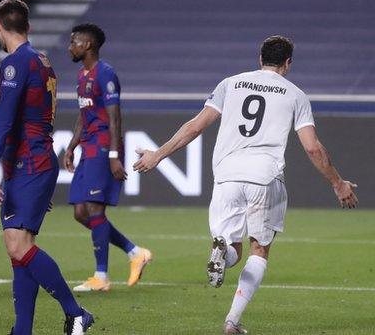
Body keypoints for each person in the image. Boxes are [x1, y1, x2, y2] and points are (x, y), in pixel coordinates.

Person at [133, 35, 358, 334]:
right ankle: (232, 322)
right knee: (259, 249)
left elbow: (195, 126)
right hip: (264, 176)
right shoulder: (295, 95)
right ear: (288, 63)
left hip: (226, 174)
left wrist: (158, 154)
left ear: (259, 58)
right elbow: (313, 148)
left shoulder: (230, 83)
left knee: (232, 247)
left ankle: (221, 255)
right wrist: (337, 182)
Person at [0, 0, 93, 335]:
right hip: (35, 161)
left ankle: (76, 312)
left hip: (27, 161)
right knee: (19, 248)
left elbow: (5, 119)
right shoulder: (43, 61)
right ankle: (22, 329)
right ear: (28, 27)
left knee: (19, 246)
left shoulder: (15, 64)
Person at [64, 23, 151, 292]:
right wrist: (70, 146)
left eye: (74, 42)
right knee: (81, 213)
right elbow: (83, 115)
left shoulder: (106, 74)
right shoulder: (82, 76)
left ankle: (101, 277)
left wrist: (114, 155)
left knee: (94, 209)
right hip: (88, 146)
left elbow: (115, 117)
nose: (70, 47)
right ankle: (135, 252)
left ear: (87, 45)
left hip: (103, 146)